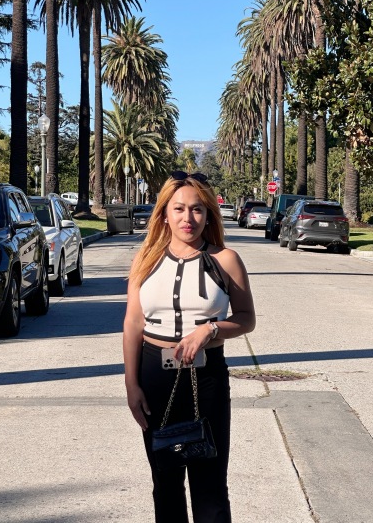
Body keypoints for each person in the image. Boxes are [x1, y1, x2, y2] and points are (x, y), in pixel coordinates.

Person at [123, 171, 256, 523]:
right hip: (154, 375)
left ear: (209, 214)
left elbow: (246, 319)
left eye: (197, 209)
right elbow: (133, 323)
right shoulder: (145, 260)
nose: (188, 218)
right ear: (164, 214)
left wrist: (210, 330)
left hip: (207, 376)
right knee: (165, 481)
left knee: (209, 484)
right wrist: (132, 385)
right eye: (179, 208)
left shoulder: (225, 259)